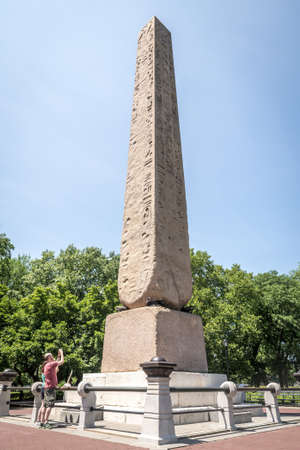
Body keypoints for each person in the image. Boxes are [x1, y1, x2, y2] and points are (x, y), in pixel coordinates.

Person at [41, 348, 64, 429]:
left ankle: (42, 422)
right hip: (51, 388)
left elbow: (56, 366)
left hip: (46, 388)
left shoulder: (46, 366)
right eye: (51, 356)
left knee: (45, 405)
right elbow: (61, 362)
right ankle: (46, 422)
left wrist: (58, 356)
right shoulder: (50, 364)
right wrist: (62, 353)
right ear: (49, 358)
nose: (53, 357)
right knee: (49, 406)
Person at [35, 361, 47, 427]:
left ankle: (38, 419)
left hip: (42, 387)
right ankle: (41, 420)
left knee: (42, 405)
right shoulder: (46, 372)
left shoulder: (42, 373)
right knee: (43, 405)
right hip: (46, 388)